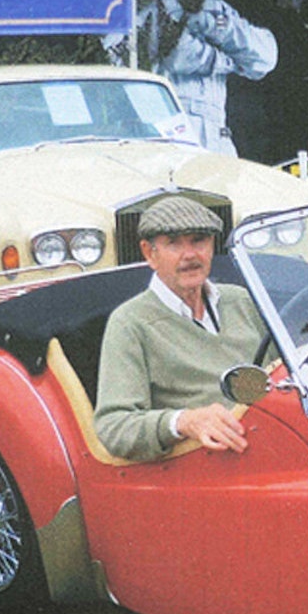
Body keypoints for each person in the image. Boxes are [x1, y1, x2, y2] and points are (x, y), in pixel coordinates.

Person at [94, 196, 266, 462]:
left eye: (198, 240)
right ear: (150, 254)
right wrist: (185, 422)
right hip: (201, 464)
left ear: (211, 247)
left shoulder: (240, 300)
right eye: (174, 243)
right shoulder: (130, 323)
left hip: (267, 441)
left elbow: (282, 374)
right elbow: (114, 426)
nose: (190, 255)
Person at [153, 0, 279, 156]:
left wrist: (213, 24)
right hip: (171, 135)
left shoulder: (214, 5)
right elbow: (177, 54)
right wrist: (227, 62)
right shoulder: (155, 0)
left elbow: (265, 59)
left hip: (217, 140)